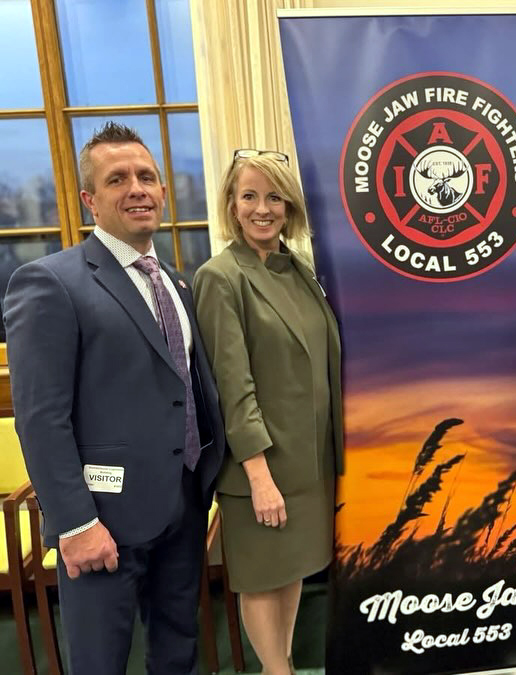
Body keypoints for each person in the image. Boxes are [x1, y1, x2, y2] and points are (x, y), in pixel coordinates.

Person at [4, 121, 225, 674]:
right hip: (102, 521)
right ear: (90, 200)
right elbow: (41, 418)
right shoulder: (50, 283)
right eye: (117, 179)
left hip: (182, 506)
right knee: (99, 663)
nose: (136, 189)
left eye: (146, 177)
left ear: (163, 191)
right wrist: (76, 524)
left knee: (178, 653)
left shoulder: (177, 284)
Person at [193, 149, 343, 675]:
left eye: (274, 197)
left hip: (307, 465)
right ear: (232, 207)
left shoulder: (298, 270)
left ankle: (279, 666)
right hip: (261, 468)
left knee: (291, 571)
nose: (263, 208)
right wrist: (259, 477)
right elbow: (232, 387)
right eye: (250, 197)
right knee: (262, 579)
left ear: (289, 206)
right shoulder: (220, 277)